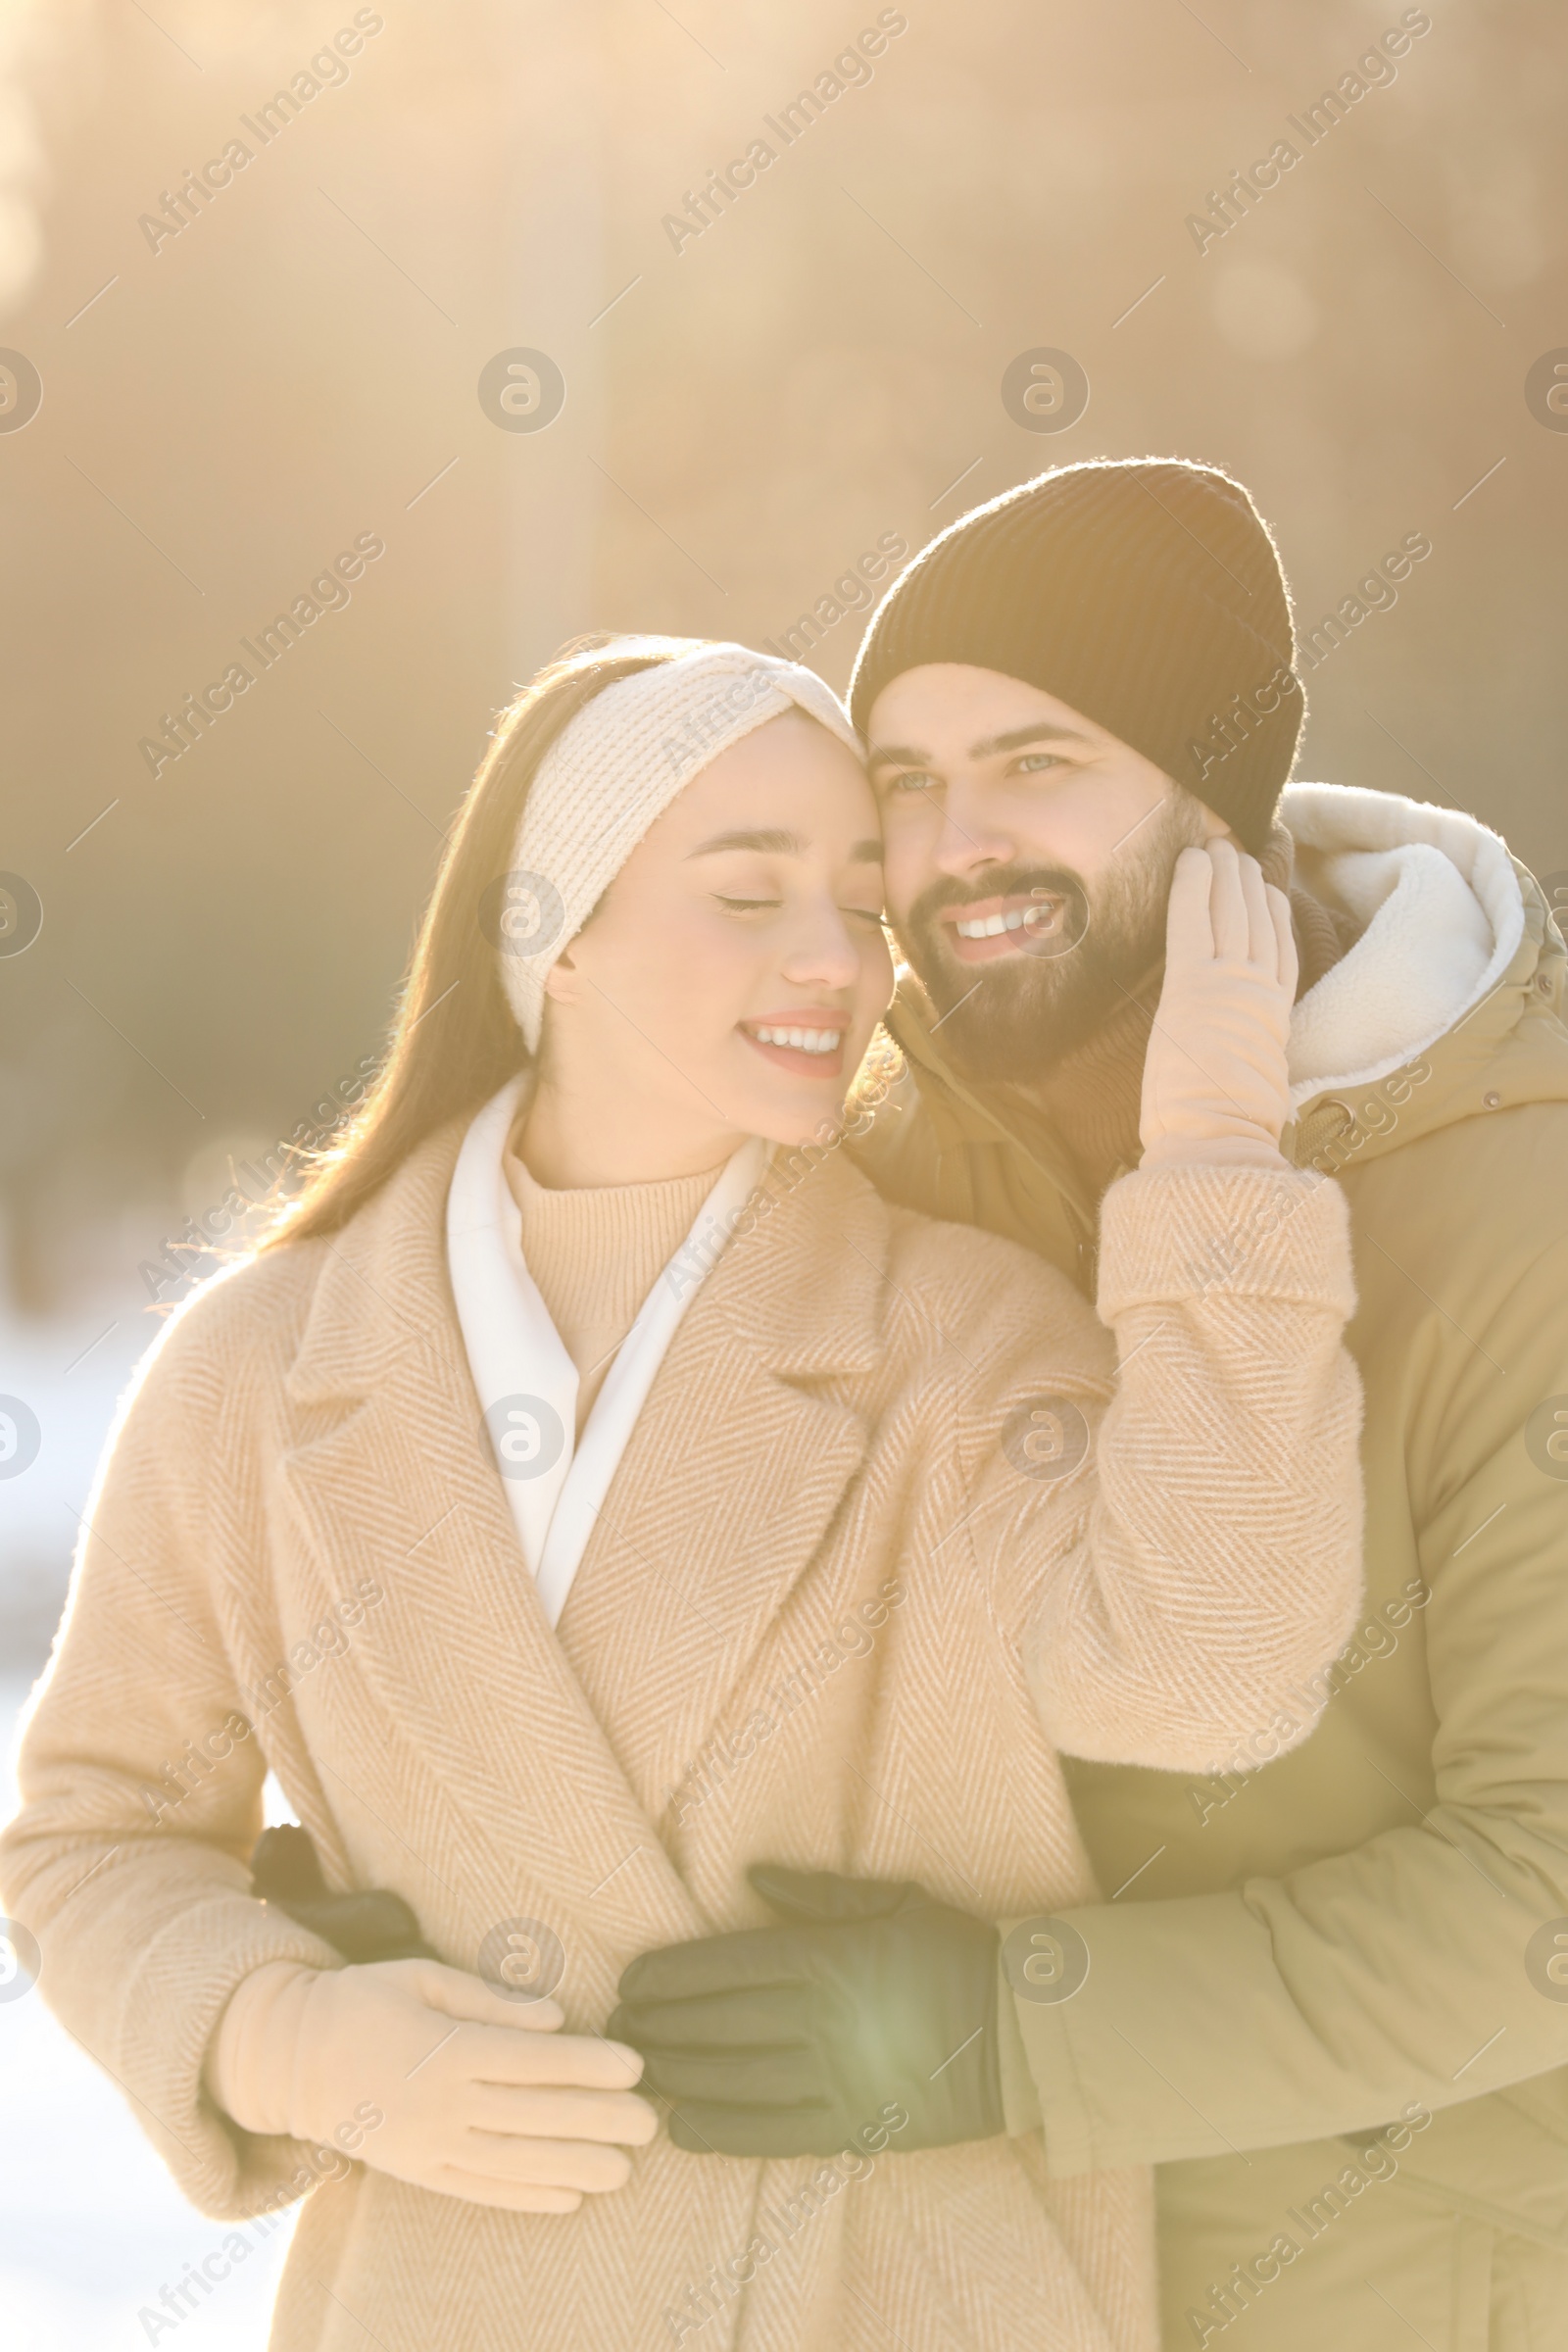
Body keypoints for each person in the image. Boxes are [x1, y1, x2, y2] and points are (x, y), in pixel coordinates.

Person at [1, 633, 1364, 2352]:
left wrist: (1222, 1160)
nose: (841, 963)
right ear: (551, 931)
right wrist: (291, 2045)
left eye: (864, 906)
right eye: (750, 894)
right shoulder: (258, 1372)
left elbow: (1217, 1673)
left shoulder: (958, 1336)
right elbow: (97, 1830)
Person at [622, 466, 1568, 2350]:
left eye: (1036, 759)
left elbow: (1543, 1893)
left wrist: (1010, 2031)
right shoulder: (870, 1164)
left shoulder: (1522, 1217)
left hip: (1384, 2279)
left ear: (1216, 792)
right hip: (952, 2274)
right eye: (903, 779)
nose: (953, 842)